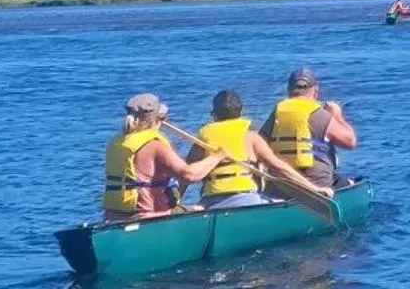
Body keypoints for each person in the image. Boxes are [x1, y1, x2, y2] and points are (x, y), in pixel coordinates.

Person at [100, 93, 227, 222]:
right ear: (158, 119)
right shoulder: (154, 146)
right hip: (148, 217)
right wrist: (217, 157)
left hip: (113, 216)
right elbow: (189, 175)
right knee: (204, 209)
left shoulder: (117, 142)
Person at [186, 89, 310, 209]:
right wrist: (311, 188)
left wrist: (176, 200)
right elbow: (279, 167)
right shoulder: (250, 136)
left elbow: (184, 174)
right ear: (241, 112)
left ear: (214, 115)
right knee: (281, 201)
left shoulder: (204, 137)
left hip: (211, 201)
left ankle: (198, 209)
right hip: (246, 199)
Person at [260, 67, 357, 197]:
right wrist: (337, 116)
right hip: (318, 185)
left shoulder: (277, 113)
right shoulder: (319, 114)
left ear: (288, 90)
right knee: (352, 182)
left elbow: (258, 145)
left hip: (281, 185)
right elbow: (350, 142)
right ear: (315, 92)